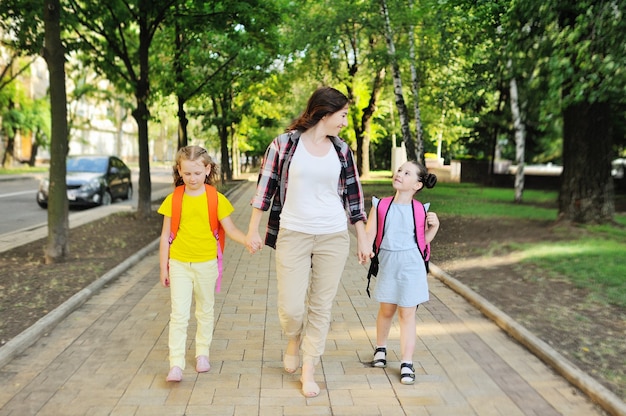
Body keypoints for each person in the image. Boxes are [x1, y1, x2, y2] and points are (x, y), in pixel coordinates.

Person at [246, 86, 370, 397]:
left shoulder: (342, 151)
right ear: (325, 113)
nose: (344, 122)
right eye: (342, 115)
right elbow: (265, 189)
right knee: (291, 307)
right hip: (293, 232)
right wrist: (252, 230)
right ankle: (293, 338)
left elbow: (355, 200)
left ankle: (309, 367)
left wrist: (363, 239)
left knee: (321, 306)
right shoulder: (284, 145)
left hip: (332, 235)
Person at [158, 145, 249, 382]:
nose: (192, 178)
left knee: (205, 311)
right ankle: (176, 363)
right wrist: (163, 267)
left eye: (197, 173)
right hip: (178, 263)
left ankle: (202, 354)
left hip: (207, 263)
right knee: (178, 315)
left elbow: (230, 229)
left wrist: (248, 240)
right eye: (187, 173)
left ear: (207, 170)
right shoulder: (173, 199)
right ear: (179, 171)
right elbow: (165, 236)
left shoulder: (216, 199)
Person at [365, 160, 440, 385]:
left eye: (407, 173)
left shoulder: (420, 210)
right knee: (386, 309)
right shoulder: (380, 206)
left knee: (407, 314)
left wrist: (433, 228)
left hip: (412, 266)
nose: (400, 174)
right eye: (399, 170)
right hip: (388, 263)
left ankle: (407, 362)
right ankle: (381, 348)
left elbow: (422, 243)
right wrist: (365, 250)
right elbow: (370, 235)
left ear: (417, 185)